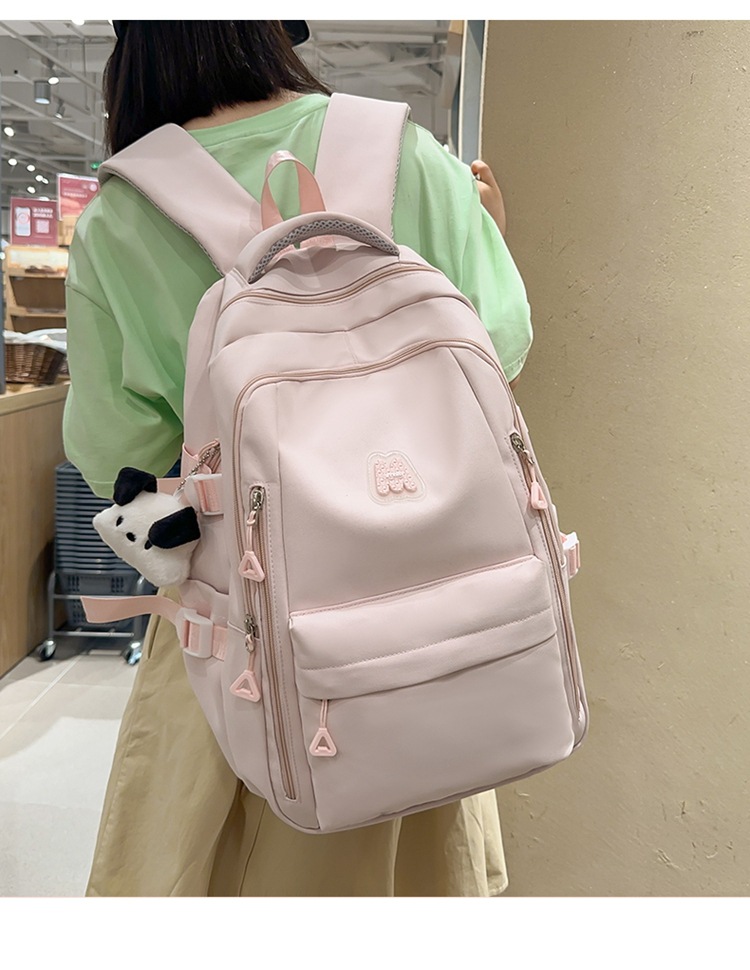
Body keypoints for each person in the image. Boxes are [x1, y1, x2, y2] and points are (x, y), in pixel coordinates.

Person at [63, 21, 533, 897]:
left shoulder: (120, 217)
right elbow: (496, 359)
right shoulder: (410, 155)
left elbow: (115, 454)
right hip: (434, 625)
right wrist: (489, 241)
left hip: (241, 644)